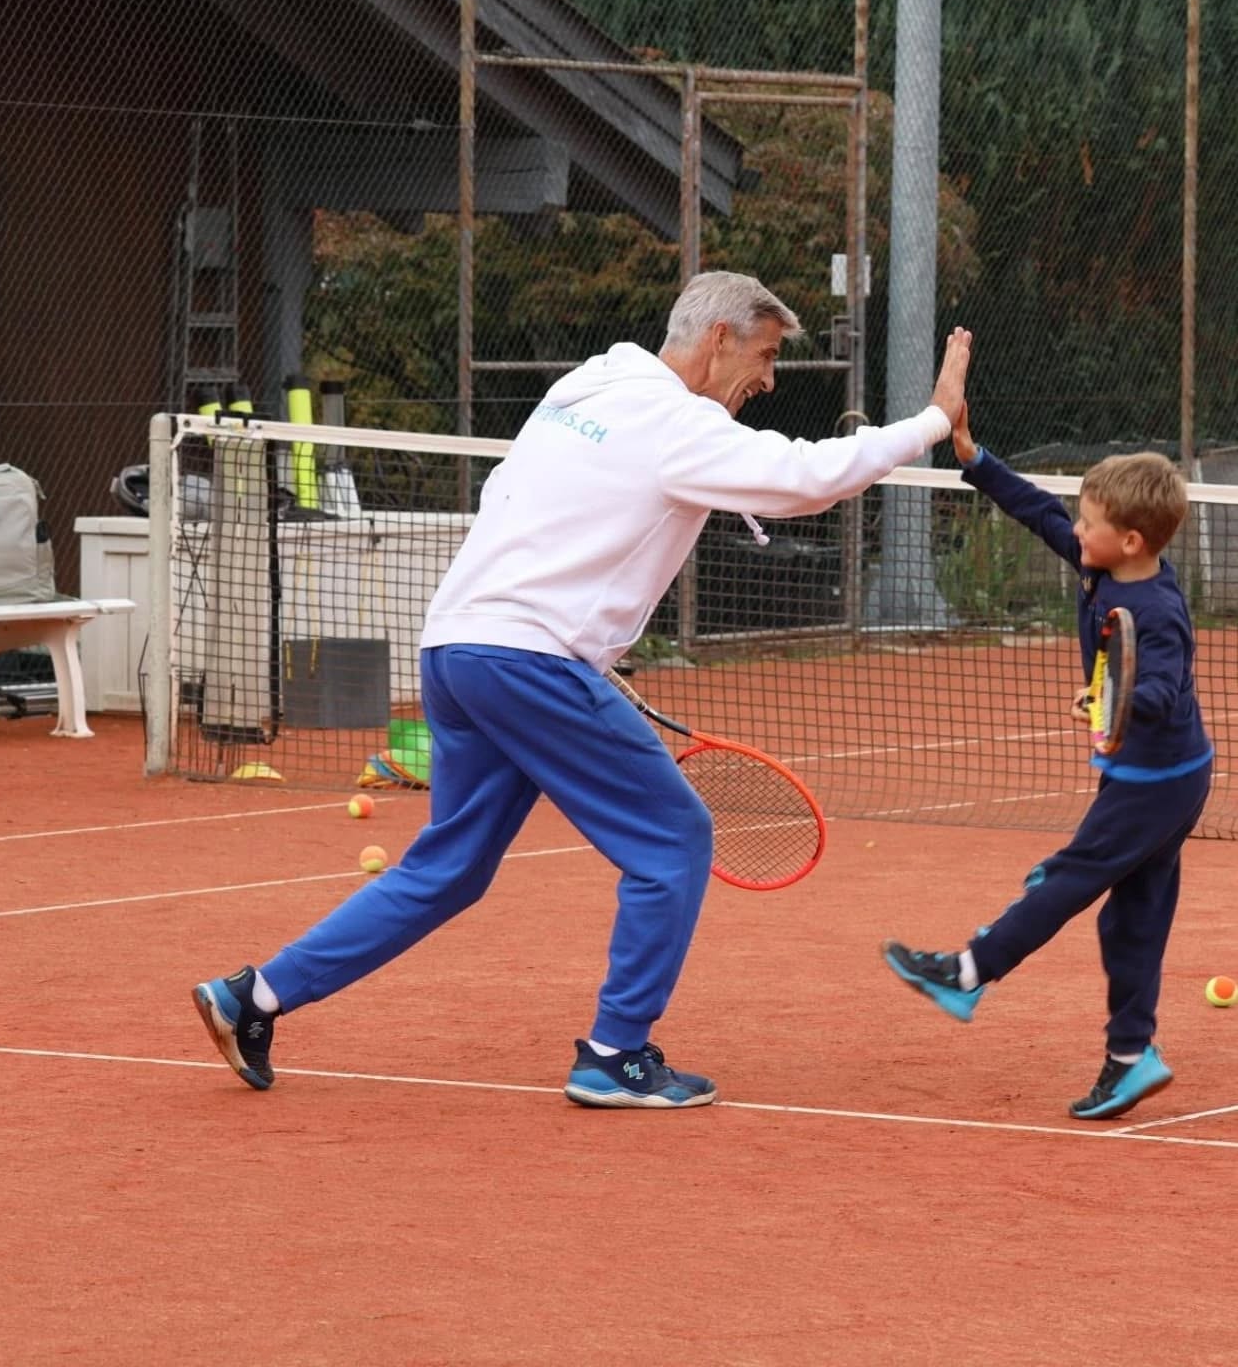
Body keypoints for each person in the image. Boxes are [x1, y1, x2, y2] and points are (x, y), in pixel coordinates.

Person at [194, 270, 973, 1108]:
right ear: (717, 340)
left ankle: (254, 997)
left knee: (450, 869)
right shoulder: (674, 422)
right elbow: (809, 479)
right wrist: (934, 419)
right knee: (673, 839)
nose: (769, 377)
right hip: (530, 661)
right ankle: (616, 1054)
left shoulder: (587, 385)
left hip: (458, 649)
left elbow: (538, 507)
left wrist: (585, 644)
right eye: (765, 353)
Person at [882, 405, 1213, 1120]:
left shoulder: (1153, 608)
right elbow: (1035, 511)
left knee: (1066, 880)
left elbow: (1162, 685)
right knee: (1130, 918)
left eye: (1087, 522)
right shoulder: (1104, 565)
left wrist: (1114, 703)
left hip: (1156, 780)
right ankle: (1131, 1058)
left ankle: (968, 971)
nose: (1074, 528)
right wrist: (972, 457)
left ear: (1127, 539)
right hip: (1156, 775)